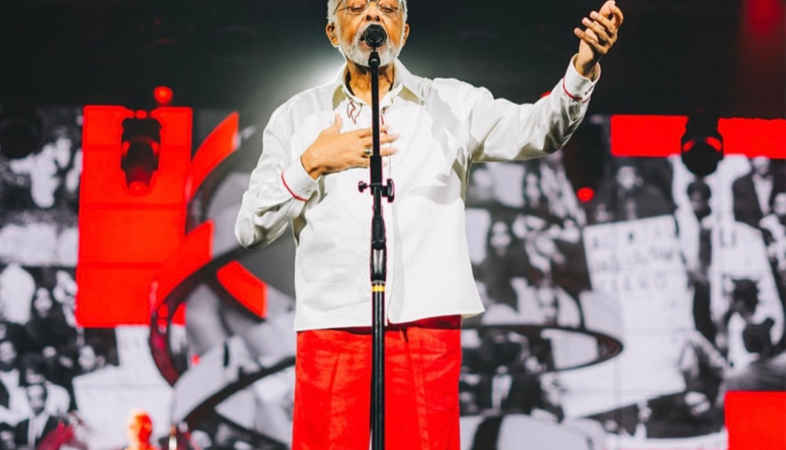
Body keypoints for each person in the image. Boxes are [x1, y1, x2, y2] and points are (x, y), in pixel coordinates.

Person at [234, 0, 624, 448]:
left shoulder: (452, 103)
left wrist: (582, 67)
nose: (373, 18)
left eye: (387, 9)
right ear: (331, 32)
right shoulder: (297, 117)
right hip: (331, 322)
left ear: (404, 30)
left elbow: (539, 130)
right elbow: (250, 229)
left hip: (425, 322)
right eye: (356, 7)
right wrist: (310, 164)